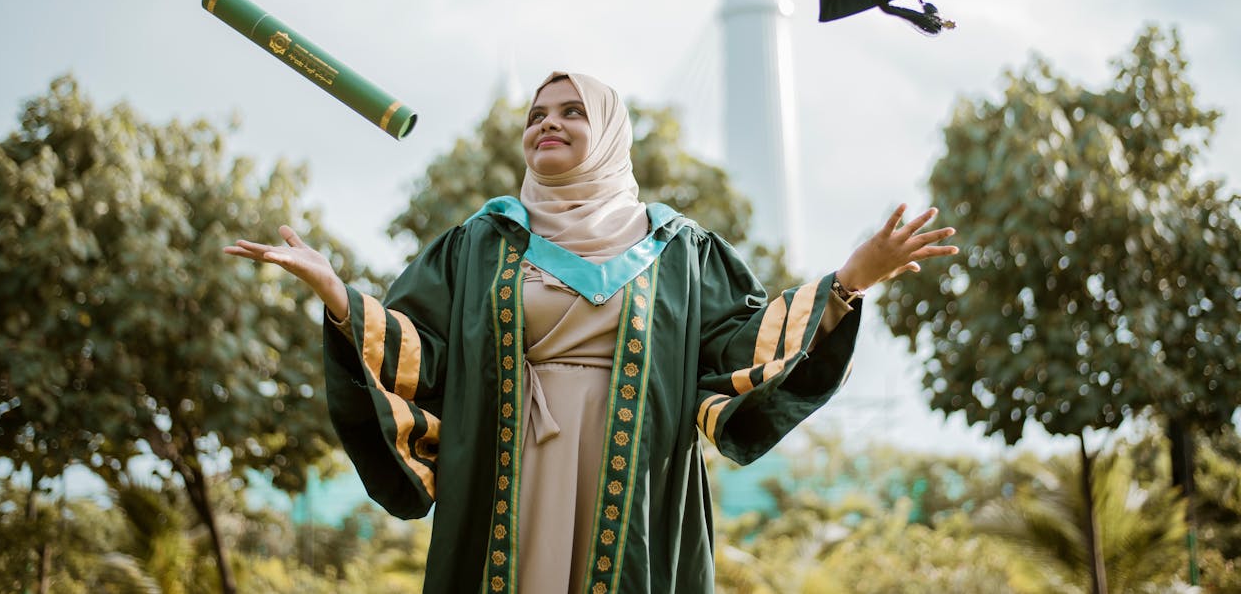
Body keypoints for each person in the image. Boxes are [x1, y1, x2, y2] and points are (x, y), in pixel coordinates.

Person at [226, 71, 958, 594]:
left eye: (572, 111)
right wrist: (338, 295)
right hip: (511, 472)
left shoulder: (679, 250)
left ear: (608, 133)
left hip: (634, 481)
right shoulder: (481, 241)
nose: (547, 123)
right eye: (537, 114)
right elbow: (426, 359)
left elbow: (738, 356)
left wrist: (849, 280)